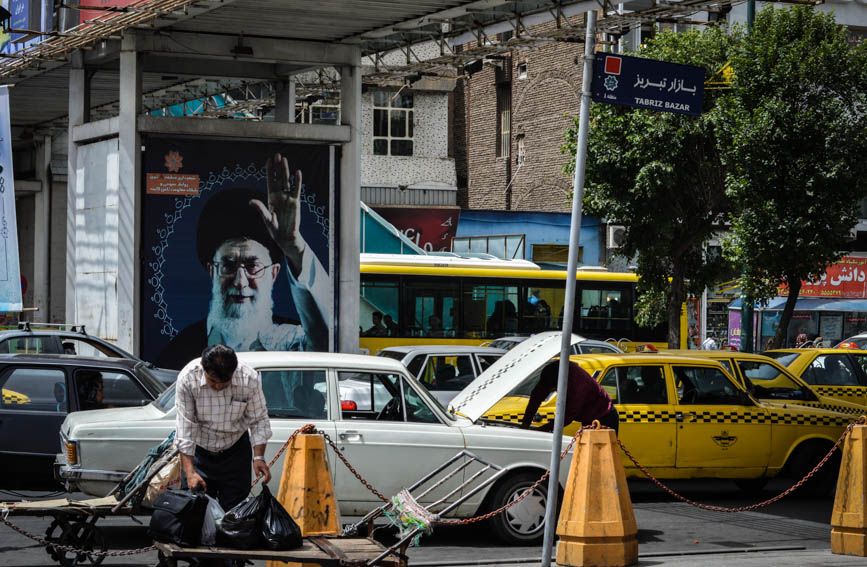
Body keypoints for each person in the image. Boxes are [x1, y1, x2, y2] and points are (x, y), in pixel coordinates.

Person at [156, 153, 329, 370]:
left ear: (273, 273)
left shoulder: (290, 341)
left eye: (251, 266)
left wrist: (293, 245)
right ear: (212, 271)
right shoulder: (183, 349)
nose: (240, 282)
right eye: (228, 265)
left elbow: (326, 338)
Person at [175, 344, 272, 512]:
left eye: (224, 382)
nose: (218, 387)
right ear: (203, 368)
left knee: (235, 514)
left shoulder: (248, 378)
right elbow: (185, 428)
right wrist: (190, 473)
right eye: (213, 381)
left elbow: (258, 419)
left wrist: (258, 457)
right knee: (197, 511)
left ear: (233, 372)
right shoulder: (188, 378)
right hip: (200, 453)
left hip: (235, 453)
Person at [520, 361, 619, 433]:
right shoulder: (552, 374)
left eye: (555, 389)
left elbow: (567, 416)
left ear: (561, 383)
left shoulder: (579, 385)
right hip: (588, 419)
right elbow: (536, 397)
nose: (554, 391)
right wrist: (525, 423)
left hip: (604, 417)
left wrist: (543, 429)